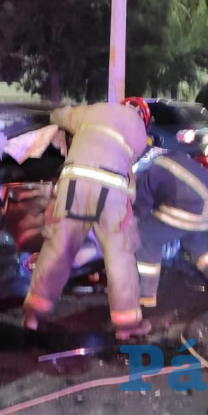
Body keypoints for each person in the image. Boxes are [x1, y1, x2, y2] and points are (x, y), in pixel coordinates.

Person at [22, 97, 153, 340]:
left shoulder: (94, 110)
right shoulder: (139, 133)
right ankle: (127, 326)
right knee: (120, 258)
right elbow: (128, 178)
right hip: (109, 188)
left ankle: (33, 313)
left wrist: (56, 118)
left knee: (57, 251)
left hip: (72, 185)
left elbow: (60, 116)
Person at [132, 148, 208, 307]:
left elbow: (140, 207)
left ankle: (144, 295)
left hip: (190, 205)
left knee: (146, 234)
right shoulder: (170, 156)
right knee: (196, 241)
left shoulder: (147, 170)